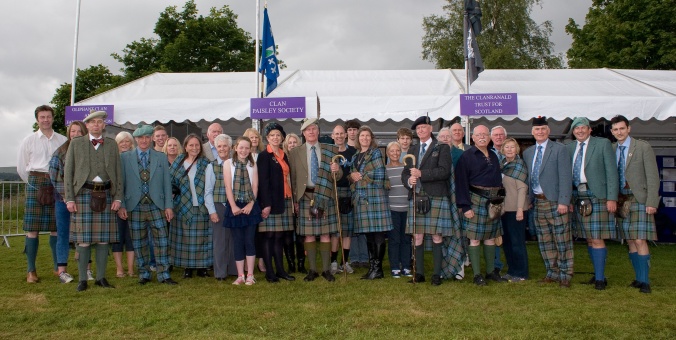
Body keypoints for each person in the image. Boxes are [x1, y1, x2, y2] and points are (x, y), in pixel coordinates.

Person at [64, 110, 123, 291]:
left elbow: (118, 172)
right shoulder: (76, 144)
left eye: (100, 122)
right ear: (87, 125)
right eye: (93, 122)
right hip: (83, 194)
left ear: (104, 125)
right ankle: (83, 279)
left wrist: (118, 197)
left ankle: (101, 278)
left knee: (104, 240)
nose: (97, 125)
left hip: (105, 194)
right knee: (84, 240)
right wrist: (69, 199)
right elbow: (68, 172)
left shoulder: (112, 145)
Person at [117, 125, 177, 285]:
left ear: (151, 139)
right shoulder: (125, 157)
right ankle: (144, 274)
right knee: (138, 241)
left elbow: (167, 183)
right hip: (134, 205)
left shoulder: (161, 157)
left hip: (157, 204)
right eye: (140, 138)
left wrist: (168, 206)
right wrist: (122, 204)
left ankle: (164, 274)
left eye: (146, 137)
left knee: (162, 240)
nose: (143, 140)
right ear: (135, 140)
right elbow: (120, 183)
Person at [17, 105, 67, 283]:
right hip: (35, 183)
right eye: (42, 117)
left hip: (56, 183)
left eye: (48, 116)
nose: (45, 120)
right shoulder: (28, 140)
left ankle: (57, 267)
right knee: (32, 230)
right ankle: (31, 270)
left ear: (53, 118)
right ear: (37, 120)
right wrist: (34, 184)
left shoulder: (62, 140)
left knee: (56, 228)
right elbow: (22, 168)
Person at [567, 117, 618, 290]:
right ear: (573, 132)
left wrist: (612, 198)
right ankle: (597, 274)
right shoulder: (570, 147)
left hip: (597, 195)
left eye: (583, 128)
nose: (579, 131)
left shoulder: (602, 144)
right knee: (589, 238)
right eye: (576, 128)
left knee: (597, 238)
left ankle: (600, 279)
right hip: (578, 195)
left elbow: (612, 173)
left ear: (589, 130)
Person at [402, 116, 455, 286]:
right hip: (417, 195)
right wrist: (409, 181)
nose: (421, 131)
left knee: (437, 236)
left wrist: (422, 174)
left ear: (430, 129)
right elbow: (405, 173)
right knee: (417, 236)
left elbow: (444, 171)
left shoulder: (442, 147)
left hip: (436, 195)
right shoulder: (413, 149)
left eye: (424, 127)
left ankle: (436, 275)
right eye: (418, 129)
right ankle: (419, 274)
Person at [610, 115, 660, 294]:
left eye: (622, 128)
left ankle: (645, 281)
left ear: (628, 128)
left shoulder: (642, 147)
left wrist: (652, 201)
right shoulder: (612, 148)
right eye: (615, 130)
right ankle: (638, 278)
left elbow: (653, 176)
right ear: (612, 132)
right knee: (630, 240)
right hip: (622, 200)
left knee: (640, 239)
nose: (619, 132)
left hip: (640, 199)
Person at [288, 118, 342, 282]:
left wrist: (337, 169)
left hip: (325, 194)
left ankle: (326, 270)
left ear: (318, 131)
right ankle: (312, 270)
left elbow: (338, 177)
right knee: (309, 235)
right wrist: (295, 200)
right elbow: (294, 178)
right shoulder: (295, 152)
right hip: (305, 196)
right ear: (303, 133)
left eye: (314, 129)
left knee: (325, 234)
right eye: (307, 129)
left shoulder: (330, 149)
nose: (311, 132)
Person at [523, 116, 573, 288]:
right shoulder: (528, 152)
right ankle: (551, 272)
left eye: (543, 129)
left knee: (562, 239)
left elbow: (566, 177)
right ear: (532, 132)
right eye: (537, 129)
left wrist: (564, 201)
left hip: (555, 201)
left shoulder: (560, 149)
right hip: (538, 202)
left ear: (548, 131)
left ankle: (565, 274)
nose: (540, 132)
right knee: (545, 241)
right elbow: (529, 179)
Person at [456, 125, 506, 286]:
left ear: (489, 137)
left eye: (485, 134)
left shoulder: (493, 154)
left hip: (493, 201)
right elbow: (461, 182)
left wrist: (499, 200)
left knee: (491, 237)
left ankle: (490, 272)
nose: (482, 137)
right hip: (475, 200)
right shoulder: (467, 156)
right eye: (479, 135)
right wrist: (465, 206)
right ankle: (477, 275)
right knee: (475, 239)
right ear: (473, 137)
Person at [349, 126, 393, 280]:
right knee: (369, 235)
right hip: (361, 199)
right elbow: (351, 176)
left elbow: (379, 173)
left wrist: (360, 175)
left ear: (371, 138)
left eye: (368, 136)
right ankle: (373, 267)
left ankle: (378, 269)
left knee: (378, 234)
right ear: (358, 138)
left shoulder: (375, 153)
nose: (365, 138)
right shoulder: (355, 156)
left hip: (376, 198)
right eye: (362, 136)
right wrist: (353, 176)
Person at [169, 134, 213, 279]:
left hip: (201, 206)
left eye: (197, 145)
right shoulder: (178, 162)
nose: (194, 148)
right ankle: (187, 268)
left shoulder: (206, 163)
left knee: (202, 239)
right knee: (185, 239)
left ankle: (202, 268)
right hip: (182, 206)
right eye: (191, 145)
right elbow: (170, 182)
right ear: (186, 147)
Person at [48, 121, 87, 283]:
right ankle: (62, 270)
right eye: (73, 131)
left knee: (84, 235)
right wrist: (66, 195)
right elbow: (54, 176)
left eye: (79, 131)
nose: (76, 134)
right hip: (63, 200)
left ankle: (86, 268)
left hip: (84, 199)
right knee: (63, 234)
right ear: (69, 133)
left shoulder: (89, 151)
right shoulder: (60, 152)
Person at [257, 123, 296, 283]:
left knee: (279, 237)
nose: (275, 137)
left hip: (284, 200)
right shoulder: (264, 156)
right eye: (272, 135)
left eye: (278, 135)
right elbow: (263, 182)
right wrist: (266, 204)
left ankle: (280, 270)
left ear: (282, 138)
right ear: (267, 138)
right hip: (270, 202)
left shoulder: (283, 154)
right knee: (269, 236)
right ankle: (270, 272)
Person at [223, 137, 263, 285]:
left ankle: (250, 275)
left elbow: (255, 187)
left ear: (251, 149)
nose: (244, 151)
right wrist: (233, 206)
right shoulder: (228, 164)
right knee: (238, 241)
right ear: (235, 148)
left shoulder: (253, 165)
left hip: (249, 206)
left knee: (249, 240)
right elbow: (227, 186)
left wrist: (251, 205)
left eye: (247, 148)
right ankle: (240, 275)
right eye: (241, 147)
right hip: (234, 205)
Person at [204, 134, 238, 281]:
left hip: (235, 206)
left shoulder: (236, 164)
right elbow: (208, 191)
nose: (222, 149)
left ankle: (234, 270)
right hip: (219, 206)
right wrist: (212, 211)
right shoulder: (211, 166)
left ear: (230, 148)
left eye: (225, 146)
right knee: (220, 241)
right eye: (219, 146)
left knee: (234, 239)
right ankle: (220, 272)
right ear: (216, 148)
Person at [499, 138, 530, 282]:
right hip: (504, 210)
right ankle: (511, 271)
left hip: (517, 209)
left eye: (512, 147)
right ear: (503, 149)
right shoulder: (503, 165)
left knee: (517, 242)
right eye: (507, 147)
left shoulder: (519, 165)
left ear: (516, 149)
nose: (509, 149)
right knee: (507, 242)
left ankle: (521, 273)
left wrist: (519, 209)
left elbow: (522, 189)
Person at [329, 124, 356, 275]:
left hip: (348, 192)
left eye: (341, 134)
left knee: (347, 231)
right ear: (332, 136)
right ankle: (333, 262)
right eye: (336, 134)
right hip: (332, 192)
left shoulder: (353, 152)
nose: (339, 136)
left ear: (345, 135)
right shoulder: (328, 152)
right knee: (335, 231)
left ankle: (344, 262)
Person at [386, 141, 413, 278]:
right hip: (392, 209)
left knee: (406, 239)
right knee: (394, 239)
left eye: (397, 151)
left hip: (407, 208)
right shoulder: (385, 169)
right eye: (392, 151)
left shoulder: (406, 168)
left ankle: (406, 266)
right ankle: (395, 266)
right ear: (387, 153)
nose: (395, 153)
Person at [112, 131, 136, 278]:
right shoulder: (114, 159)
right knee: (118, 236)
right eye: (122, 141)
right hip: (117, 203)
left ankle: (131, 268)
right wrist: (120, 204)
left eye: (127, 141)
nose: (125, 144)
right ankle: (119, 268)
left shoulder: (135, 158)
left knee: (131, 237)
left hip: (133, 204)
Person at [282, 133, 306, 274]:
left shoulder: (302, 159)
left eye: (294, 142)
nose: (292, 145)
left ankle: (301, 263)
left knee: (300, 234)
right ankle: (291, 264)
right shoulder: (282, 159)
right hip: (286, 200)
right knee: (287, 234)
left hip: (300, 199)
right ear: (285, 145)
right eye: (289, 142)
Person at [346, 120, 368, 268]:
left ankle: (365, 257)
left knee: (364, 225)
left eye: (355, 130)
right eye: (350, 130)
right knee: (352, 226)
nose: (353, 132)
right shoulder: (344, 150)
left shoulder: (364, 150)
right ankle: (354, 257)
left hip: (363, 191)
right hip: (348, 191)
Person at [489, 126, 508, 278]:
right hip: (494, 199)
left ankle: (512, 263)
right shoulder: (487, 154)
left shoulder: (511, 152)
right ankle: (496, 265)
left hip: (511, 199)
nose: (499, 137)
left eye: (501, 135)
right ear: (491, 137)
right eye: (496, 135)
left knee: (510, 234)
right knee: (494, 233)